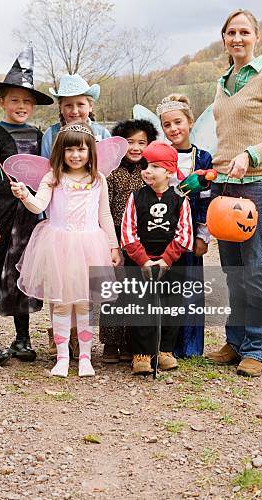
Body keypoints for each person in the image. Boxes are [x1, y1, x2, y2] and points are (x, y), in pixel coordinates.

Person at [207, 9, 262, 377]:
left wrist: (251, 153)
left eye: (244, 32)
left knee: (256, 270)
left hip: (257, 186)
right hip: (224, 188)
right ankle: (236, 341)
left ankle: (258, 348)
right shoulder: (223, 81)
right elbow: (226, 138)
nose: (237, 38)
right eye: (231, 32)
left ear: (257, 37)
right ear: (224, 38)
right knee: (232, 271)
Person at [11, 123, 121, 378]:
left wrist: (113, 246)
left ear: (90, 152)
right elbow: (38, 205)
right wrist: (25, 195)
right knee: (60, 304)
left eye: (81, 150)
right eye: (69, 149)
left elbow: (104, 214)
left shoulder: (98, 179)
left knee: (84, 304)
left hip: (89, 244)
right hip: (58, 245)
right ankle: (62, 357)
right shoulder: (53, 177)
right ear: (61, 151)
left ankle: (85, 357)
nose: (75, 155)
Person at [0, 45, 54, 365]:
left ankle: (22, 337)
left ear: (33, 106)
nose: (21, 106)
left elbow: (47, 174)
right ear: (2, 101)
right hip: (1, 218)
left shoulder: (38, 135)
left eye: (27, 101)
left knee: (24, 273)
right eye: (14, 100)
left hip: (28, 219)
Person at [41, 73, 111, 359]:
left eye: (80, 104)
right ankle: (61, 335)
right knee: (60, 280)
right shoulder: (50, 135)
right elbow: (48, 175)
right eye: (67, 105)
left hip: (90, 217)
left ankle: (83, 338)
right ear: (60, 108)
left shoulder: (103, 135)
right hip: (60, 217)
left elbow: (106, 174)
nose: (74, 111)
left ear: (90, 105)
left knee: (85, 282)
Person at [121, 141, 194, 374]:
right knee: (141, 306)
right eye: (145, 165)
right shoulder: (136, 197)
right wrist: (143, 260)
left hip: (170, 262)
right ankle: (141, 353)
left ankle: (165, 350)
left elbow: (185, 234)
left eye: (154, 166)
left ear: (169, 171)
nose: (147, 170)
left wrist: (166, 259)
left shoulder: (180, 200)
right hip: (141, 261)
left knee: (171, 306)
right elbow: (128, 232)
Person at [157, 94, 213, 357]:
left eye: (178, 122)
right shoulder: (159, 155)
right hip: (163, 228)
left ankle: (188, 346)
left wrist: (203, 234)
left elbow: (206, 198)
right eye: (167, 125)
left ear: (190, 122)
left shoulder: (202, 158)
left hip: (190, 228)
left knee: (189, 284)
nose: (173, 129)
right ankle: (163, 344)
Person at [99, 119, 158, 364]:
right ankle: (111, 342)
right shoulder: (112, 172)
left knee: (136, 291)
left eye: (141, 142)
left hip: (141, 239)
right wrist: (111, 240)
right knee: (113, 290)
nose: (135, 148)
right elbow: (104, 207)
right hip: (114, 236)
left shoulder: (150, 172)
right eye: (130, 142)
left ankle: (131, 342)